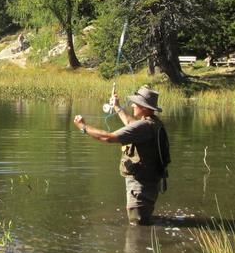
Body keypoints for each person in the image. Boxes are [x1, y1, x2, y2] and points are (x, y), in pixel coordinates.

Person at [73, 86, 170, 225]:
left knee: (137, 227)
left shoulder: (144, 127)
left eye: (135, 103)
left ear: (144, 107)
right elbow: (131, 123)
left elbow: (108, 138)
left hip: (140, 188)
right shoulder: (152, 123)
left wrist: (83, 127)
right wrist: (117, 107)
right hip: (148, 184)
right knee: (141, 223)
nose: (132, 105)